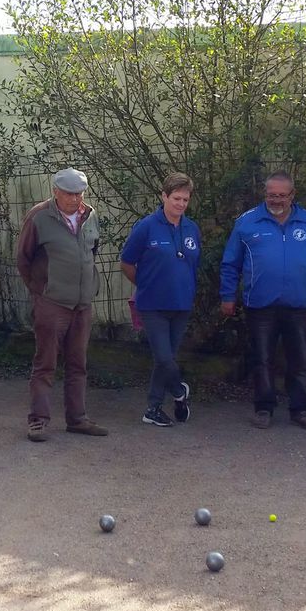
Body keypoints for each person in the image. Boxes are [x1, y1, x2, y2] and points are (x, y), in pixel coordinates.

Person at [219, 171, 306, 430]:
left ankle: (300, 410)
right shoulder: (246, 223)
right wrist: (227, 296)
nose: (276, 200)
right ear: (265, 194)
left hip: (299, 304)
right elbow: (230, 264)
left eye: (281, 196)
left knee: (298, 360)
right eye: (271, 195)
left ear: (292, 195)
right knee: (262, 359)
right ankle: (263, 409)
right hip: (259, 304)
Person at [17, 167, 109, 441]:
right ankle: (38, 421)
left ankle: (77, 419)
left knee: (78, 363)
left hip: (82, 303)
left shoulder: (90, 216)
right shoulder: (39, 217)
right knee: (45, 363)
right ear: (55, 192)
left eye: (79, 194)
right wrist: (40, 291)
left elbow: (92, 250)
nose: (74, 199)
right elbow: (23, 258)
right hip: (51, 302)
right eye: (69, 194)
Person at [120, 173, 201, 427]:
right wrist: (146, 284)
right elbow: (127, 262)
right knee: (165, 358)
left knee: (164, 360)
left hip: (181, 304)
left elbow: (192, 264)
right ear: (164, 196)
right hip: (153, 304)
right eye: (176, 198)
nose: (180, 204)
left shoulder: (192, 228)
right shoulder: (146, 227)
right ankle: (179, 392)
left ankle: (153, 408)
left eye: (185, 199)